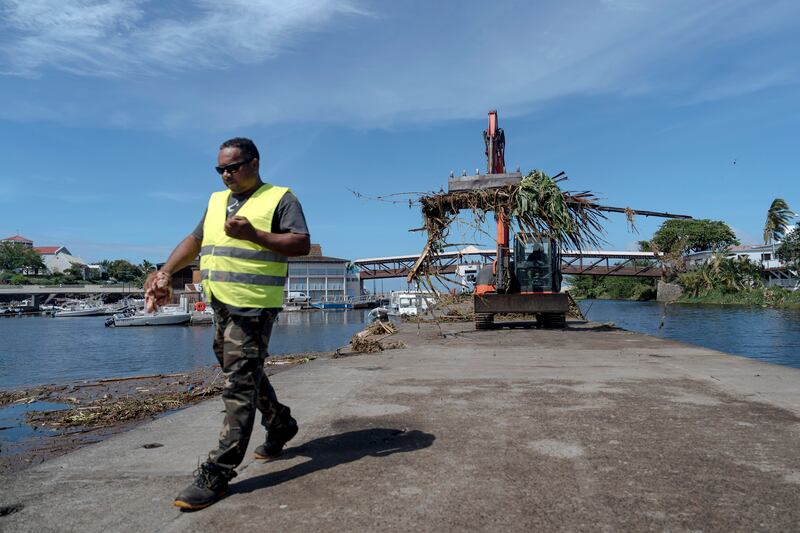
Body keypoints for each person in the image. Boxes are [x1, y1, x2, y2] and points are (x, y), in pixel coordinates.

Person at [145, 137, 311, 510]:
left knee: (238, 384)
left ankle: (218, 472)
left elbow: (300, 243)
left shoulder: (281, 198)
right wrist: (165, 273)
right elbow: (195, 239)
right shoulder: (217, 201)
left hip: (253, 308)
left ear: (254, 163)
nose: (225, 175)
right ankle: (280, 423)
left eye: (233, 167)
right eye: (220, 169)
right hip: (220, 305)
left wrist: (255, 234)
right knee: (243, 371)